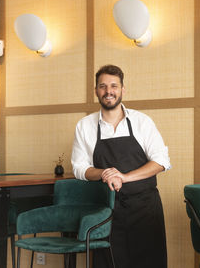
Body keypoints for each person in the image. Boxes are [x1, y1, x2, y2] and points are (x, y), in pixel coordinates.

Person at [71, 64, 171, 268]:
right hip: (107, 211)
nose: (109, 91)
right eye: (103, 86)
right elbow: (79, 168)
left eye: (114, 86)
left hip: (145, 208)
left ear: (122, 90)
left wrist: (124, 177)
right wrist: (105, 173)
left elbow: (161, 161)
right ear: (96, 91)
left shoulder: (142, 121)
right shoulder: (85, 126)